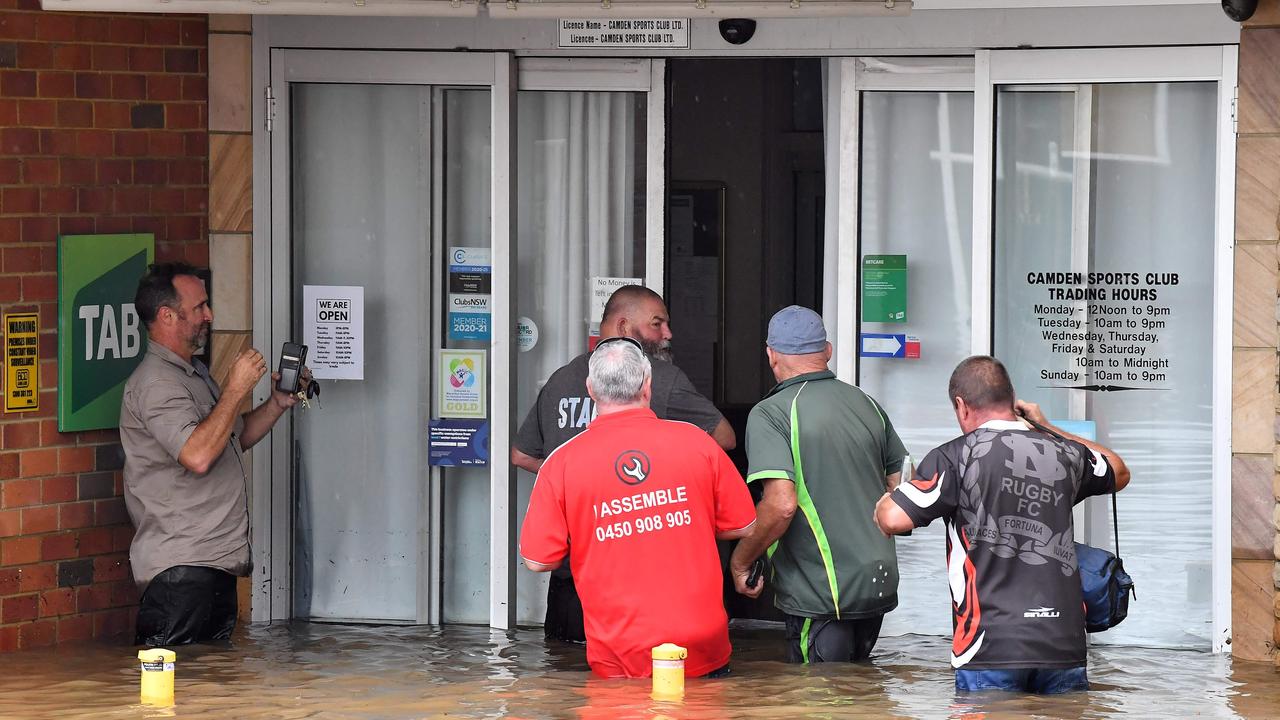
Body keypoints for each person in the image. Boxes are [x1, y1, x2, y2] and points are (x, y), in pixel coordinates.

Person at [874, 356, 1131, 694]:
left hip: (989, 646)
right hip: (1063, 643)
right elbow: (1118, 470)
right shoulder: (1064, 453)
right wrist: (1046, 426)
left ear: (961, 406)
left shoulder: (955, 457)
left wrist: (883, 503)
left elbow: (894, 519)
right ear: (1013, 400)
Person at [519, 337, 757, 678]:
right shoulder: (697, 442)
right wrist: (681, 520)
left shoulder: (562, 463)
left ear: (591, 389)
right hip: (702, 645)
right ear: (648, 386)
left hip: (620, 651)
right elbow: (744, 524)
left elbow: (539, 559)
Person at [512, 284, 735, 642]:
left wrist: (576, 480)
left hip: (574, 579)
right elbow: (723, 438)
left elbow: (522, 455)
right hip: (649, 583)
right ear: (623, 324)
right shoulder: (661, 380)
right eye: (657, 324)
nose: (668, 334)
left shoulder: (560, 379)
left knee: (565, 691)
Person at [120, 262, 305, 646]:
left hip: (209, 566)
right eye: (200, 306)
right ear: (168, 315)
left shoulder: (192, 374)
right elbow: (198, 456)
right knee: (171, 694)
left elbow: (228, 440)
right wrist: (236, 389)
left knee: (208, 690)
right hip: (180, 572)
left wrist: (276, 403)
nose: (210, 315)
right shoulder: (156, 384)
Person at [729, 305, 907, 664]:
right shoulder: (866, 403)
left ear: (771, 355)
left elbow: (781, 505)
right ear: (827, 351)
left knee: (818, 699)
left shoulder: (772, 412)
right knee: (860, 694)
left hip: (822, 589)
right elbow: (897, 483)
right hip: (877, 577)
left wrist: (741, 561)